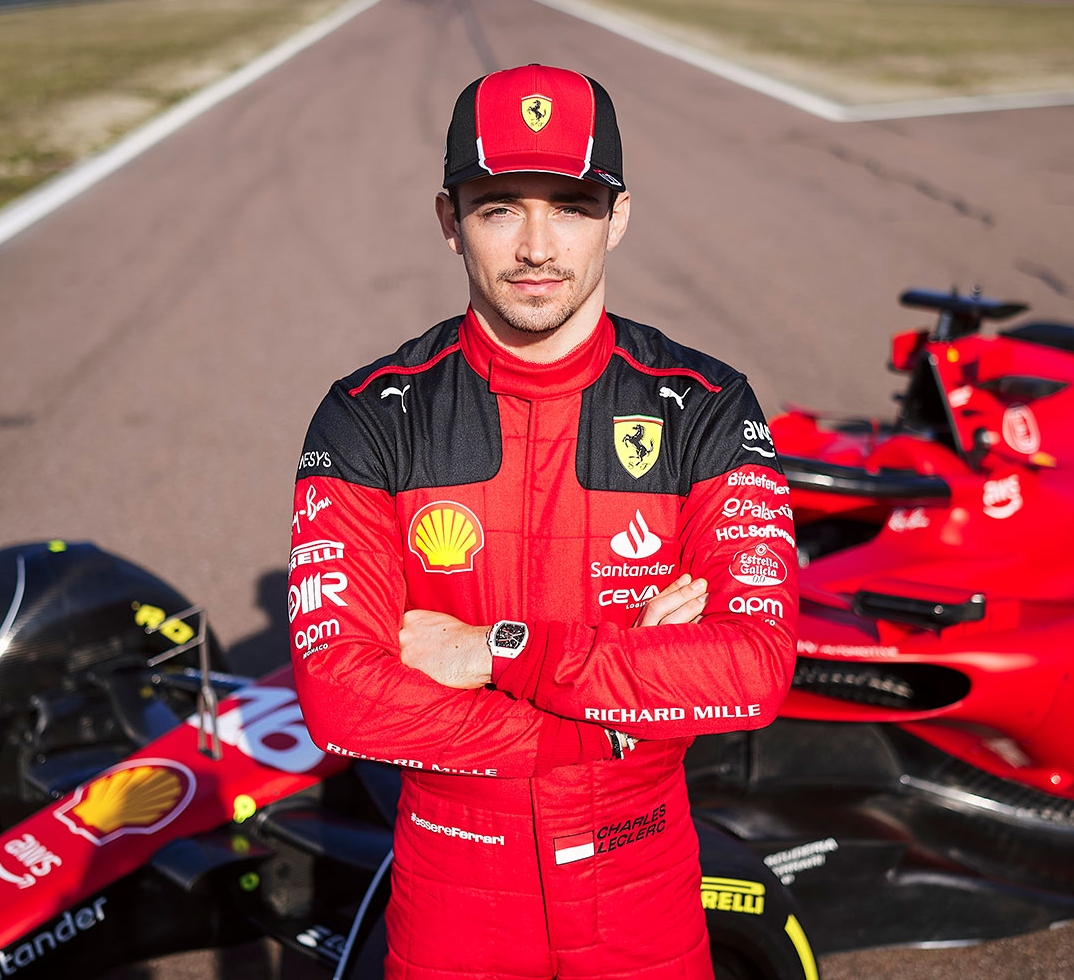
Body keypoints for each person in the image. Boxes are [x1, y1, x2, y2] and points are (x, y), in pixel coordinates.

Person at [289, 64, 799, 980]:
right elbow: (339, 692)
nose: (535, 245)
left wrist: (497, 653)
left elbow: (753, 670)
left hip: (645, 897)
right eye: (497, 209)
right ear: (450, 221)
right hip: (453, 906)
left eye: (569, 205)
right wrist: (611, 719)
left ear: (620, 217)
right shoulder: (369, 414)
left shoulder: (708, 406)